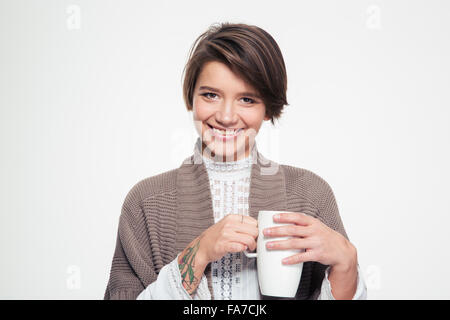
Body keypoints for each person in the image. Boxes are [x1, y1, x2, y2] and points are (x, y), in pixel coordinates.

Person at [103, 22, 367, 300]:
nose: (227, 116)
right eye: (211, 95)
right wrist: (200, 252)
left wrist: (346, 265)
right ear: (190, 97)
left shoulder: (310, 193)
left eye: (247, 99)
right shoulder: (147, 201)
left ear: (268, 108)